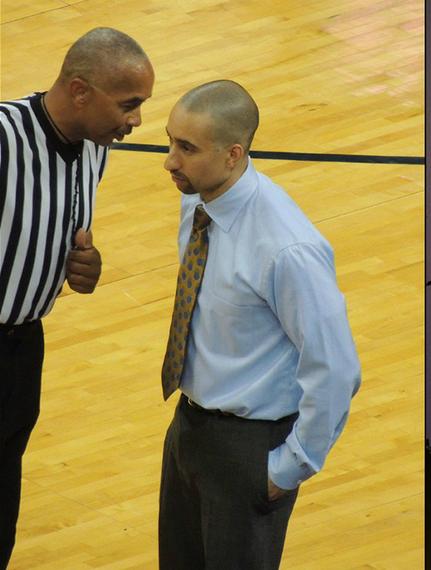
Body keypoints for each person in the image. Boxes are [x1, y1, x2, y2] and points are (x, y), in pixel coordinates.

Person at [158, 80, 360, 569]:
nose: (169, 160)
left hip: (250, 450)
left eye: (186, 148)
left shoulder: (288, 250)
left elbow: (336, 368)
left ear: (233, 154)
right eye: (170, 141)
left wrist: (287, 468)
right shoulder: (199, 200)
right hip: (188, 427)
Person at [0, 28, 154, 568]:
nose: (136, 120)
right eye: (129, 104)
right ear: (81, 90)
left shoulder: (95, 147)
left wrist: (82, 266)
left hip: (23, 347)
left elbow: (56, 233)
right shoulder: (3, 137)